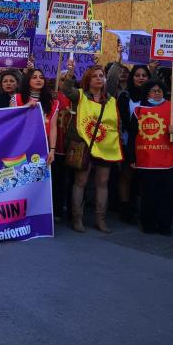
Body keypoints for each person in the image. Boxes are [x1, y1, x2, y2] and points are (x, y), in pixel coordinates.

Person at [60, 64, 123, 233]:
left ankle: (100, 220)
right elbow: (66, 89)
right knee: (80, 182)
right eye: (94, 76)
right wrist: (70, 74)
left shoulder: (110, 100)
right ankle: (77, 219)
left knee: (103, 182)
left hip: (105, 146)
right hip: (83, 144)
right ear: (88, 79)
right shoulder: (78, 95)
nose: (98, 78)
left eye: (101, 75)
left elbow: (116, 123)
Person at [126, 80, 173, 235]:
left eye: (159, 90)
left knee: (166, 195)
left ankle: (165, 226)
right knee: (148, 195)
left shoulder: (172, 108)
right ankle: (148, 225)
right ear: (146, 93)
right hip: (146, 159)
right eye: (153, 91)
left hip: (167, 159)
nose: (157, 93)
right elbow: (132, 136)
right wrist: (131, 157)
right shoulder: (138, 110)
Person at [116, 64, 152, 224]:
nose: (141, 78)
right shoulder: (125, 96)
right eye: (137, 75)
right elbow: (123, 120)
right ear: (132, 77)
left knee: (145, 178)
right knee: (126, 175)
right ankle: (124, 208)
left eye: (144, 75)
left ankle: (142, 206)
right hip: (128, 141)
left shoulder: (153, 97)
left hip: (149, 142)